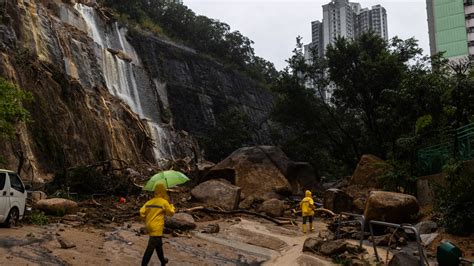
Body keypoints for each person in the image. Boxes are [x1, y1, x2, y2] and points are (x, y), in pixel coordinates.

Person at [140, 183, 175, 266]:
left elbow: (141, 212)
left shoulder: (149, 202)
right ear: (163, 191)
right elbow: (171, 213)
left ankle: (163, 261)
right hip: (157, 227)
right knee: (150, 247)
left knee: (158, 244)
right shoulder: (164, 202)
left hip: (149, 226)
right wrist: (171, 204)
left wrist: (146, 219)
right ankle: (143, 264)